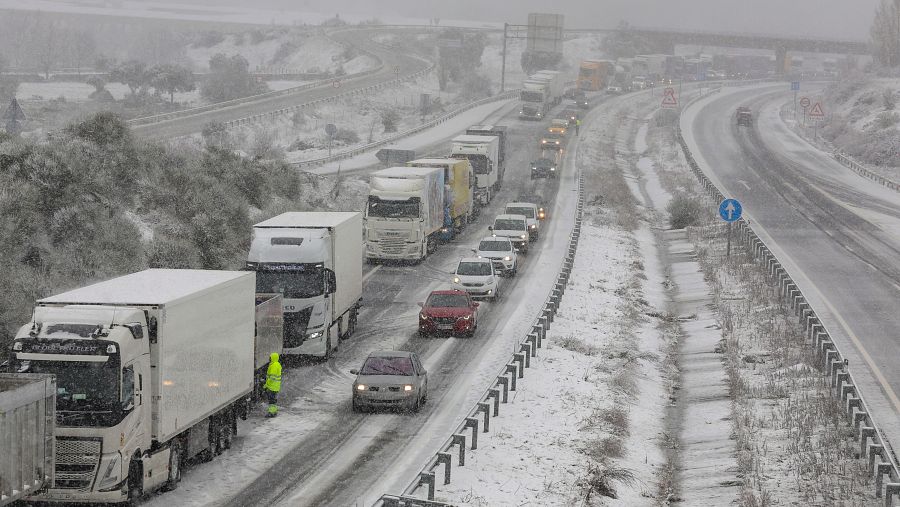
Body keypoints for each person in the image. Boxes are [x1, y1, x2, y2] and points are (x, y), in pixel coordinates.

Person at [264, 352, 282, 417]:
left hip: (272, 386)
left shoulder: (274, 366)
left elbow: (272, 377)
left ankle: (271, 413)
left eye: (270, 357)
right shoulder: (277, 364)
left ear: (273, 358)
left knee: (271, 400)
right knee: (273, 400)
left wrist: (267, 385)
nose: (269, 358)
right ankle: (274, 411)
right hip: (275, 386)